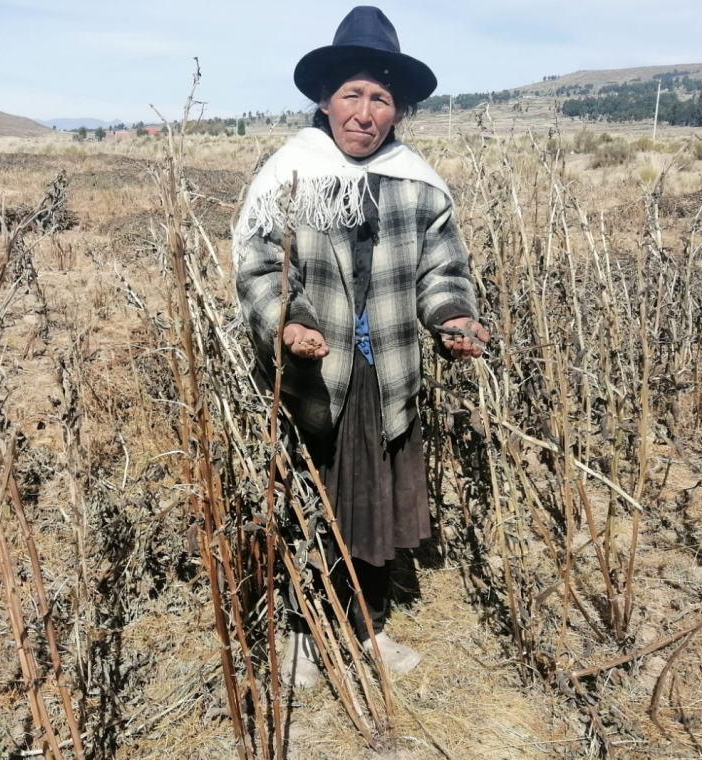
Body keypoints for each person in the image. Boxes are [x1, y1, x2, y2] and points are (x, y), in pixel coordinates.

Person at [233, 5, 488, 688]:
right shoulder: (292, 175)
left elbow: (443, 271)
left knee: (374, 506)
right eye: (352, 95)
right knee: (306, 501)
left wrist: (453, 317)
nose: (365, 112)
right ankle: (300, 631)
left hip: (389, 375)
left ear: (398, 110)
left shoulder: (418, 183)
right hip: (315, 382)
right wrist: (287, 323)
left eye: (380, 98)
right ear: (325, 100)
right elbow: (260, 266)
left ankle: (368, 626)